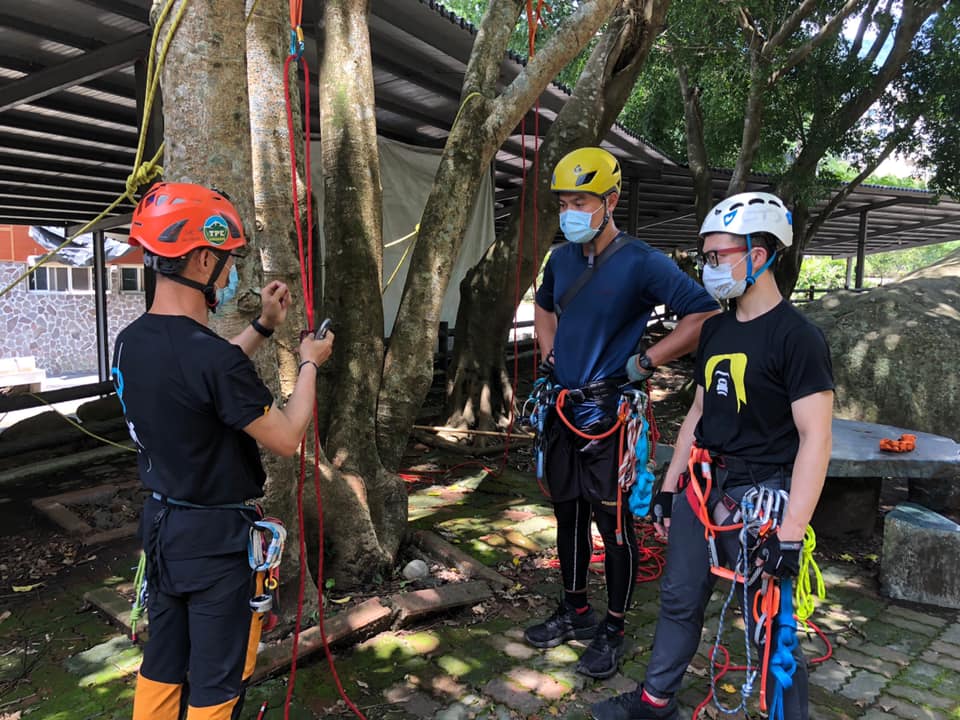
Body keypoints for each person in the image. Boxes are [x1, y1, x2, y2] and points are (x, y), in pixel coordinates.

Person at [590, 191, 835, 720]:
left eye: (719, 255)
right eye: (706, 256)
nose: (709, 266)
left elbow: (817, 438)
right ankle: (655, 703)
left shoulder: (799, 338)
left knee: (771, 619)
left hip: (763, 499)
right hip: (704, 488)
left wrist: (791, 535)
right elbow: (699, 412)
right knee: (679, 598)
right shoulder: (718, 329)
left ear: (761, 254)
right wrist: (670, 485)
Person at [114, 182, 334, 720]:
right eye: (228, 259)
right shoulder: (211, 360)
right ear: (204, 259)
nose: (230, 270)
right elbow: (286, 437)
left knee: (163, 664)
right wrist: (309, 362)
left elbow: (202, 377)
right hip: (215, 544)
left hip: (163, 530)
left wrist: (262, 327)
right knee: (217, 681)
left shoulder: (132, 340)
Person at [526, 147, 720, 680]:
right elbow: (544, 304)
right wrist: (549, 352)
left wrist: (644, 362)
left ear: (610, 201)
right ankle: (575, 610)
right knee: (567, 515)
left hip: (609, 413)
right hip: (563, 409)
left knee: (613, 525)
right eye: (564, 201)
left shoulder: (642, 262)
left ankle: (613, 627)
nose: (571, 211)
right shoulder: (561, 259)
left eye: (581, 200)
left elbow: (703, 314)